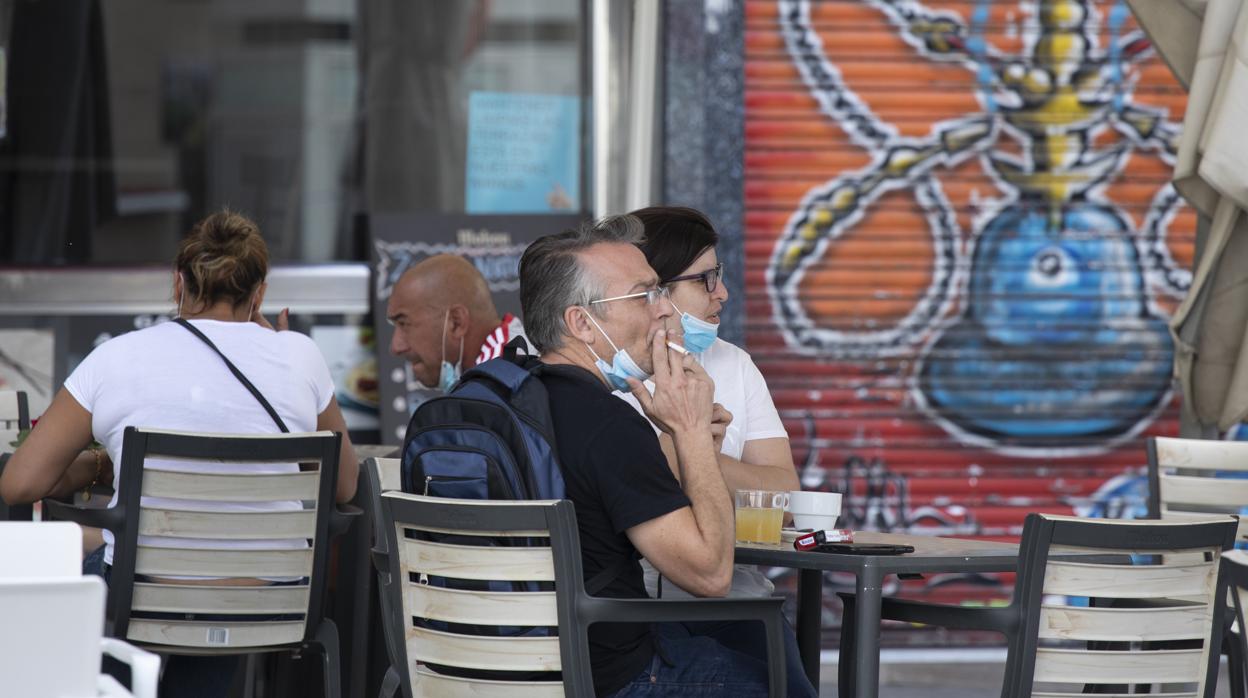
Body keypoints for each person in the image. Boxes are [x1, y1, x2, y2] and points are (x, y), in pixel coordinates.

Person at [0, 209, 358, 697]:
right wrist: (281, 352)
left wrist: (101, 464)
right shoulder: (299, 355)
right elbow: (346, 485)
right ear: (260, 293)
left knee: (76, 568)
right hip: (274, 598)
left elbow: (19, 484)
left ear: (177, 285)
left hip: (143, 595)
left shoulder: (118, 357)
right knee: (203, 602)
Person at [518, 215, 815, 697]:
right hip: (612, 672)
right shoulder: (608, 422)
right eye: (644, 295)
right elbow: (711, 575)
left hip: (487, 661)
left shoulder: (498, 402)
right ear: (582, 322)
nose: (662, 312)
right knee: (778, 681)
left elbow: (786, 490)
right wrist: (691, 432)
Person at [621, 206, 811, 696]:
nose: (722, 293)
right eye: (705, 279)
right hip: (630, 608)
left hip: (736, 603)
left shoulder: (735, 364)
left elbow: (784, 495)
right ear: (653, 291)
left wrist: (703, 450)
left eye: (719, 276)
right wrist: (688, 444)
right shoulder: (608, 373)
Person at [386, 254, 530, 392]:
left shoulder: (502, 384)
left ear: (456, 323)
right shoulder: (499, 373)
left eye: (404, 324)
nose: (396, 347)